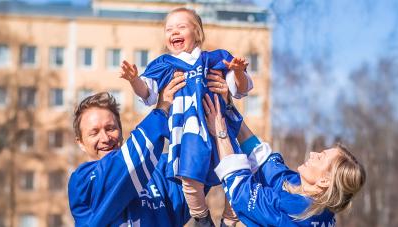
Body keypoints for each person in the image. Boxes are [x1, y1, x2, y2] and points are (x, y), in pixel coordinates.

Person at [119, 7, 252, 226]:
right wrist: (134, 80)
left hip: (218, 130)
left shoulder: (215, 58)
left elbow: (240, 89)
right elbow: (148, 93)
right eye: (169, 29)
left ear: (198, 33)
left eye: (181, 27)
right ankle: (201, 216)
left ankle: (230, 220)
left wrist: (237, 73)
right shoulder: (164, 64)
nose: (174, 32)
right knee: (189, 178)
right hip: (189, 133)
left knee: (238, 170)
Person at [203, 94, 367, 227]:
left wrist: (220, 133)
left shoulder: (298, 211)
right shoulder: (310, 197)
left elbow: (241, 191)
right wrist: (229, 108)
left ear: (325, 180)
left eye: (321, 157)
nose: (312, 154)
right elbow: (264, 162)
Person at [68, 75, 193, 226]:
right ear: (80, 142)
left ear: (120, 132)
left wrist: (219, 105)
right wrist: (161, 109)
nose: (105, 138)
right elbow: (125, 167)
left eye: (110, 128)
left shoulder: (158, 170)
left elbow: (199, 164)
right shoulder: (82, 181)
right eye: (94, 133)